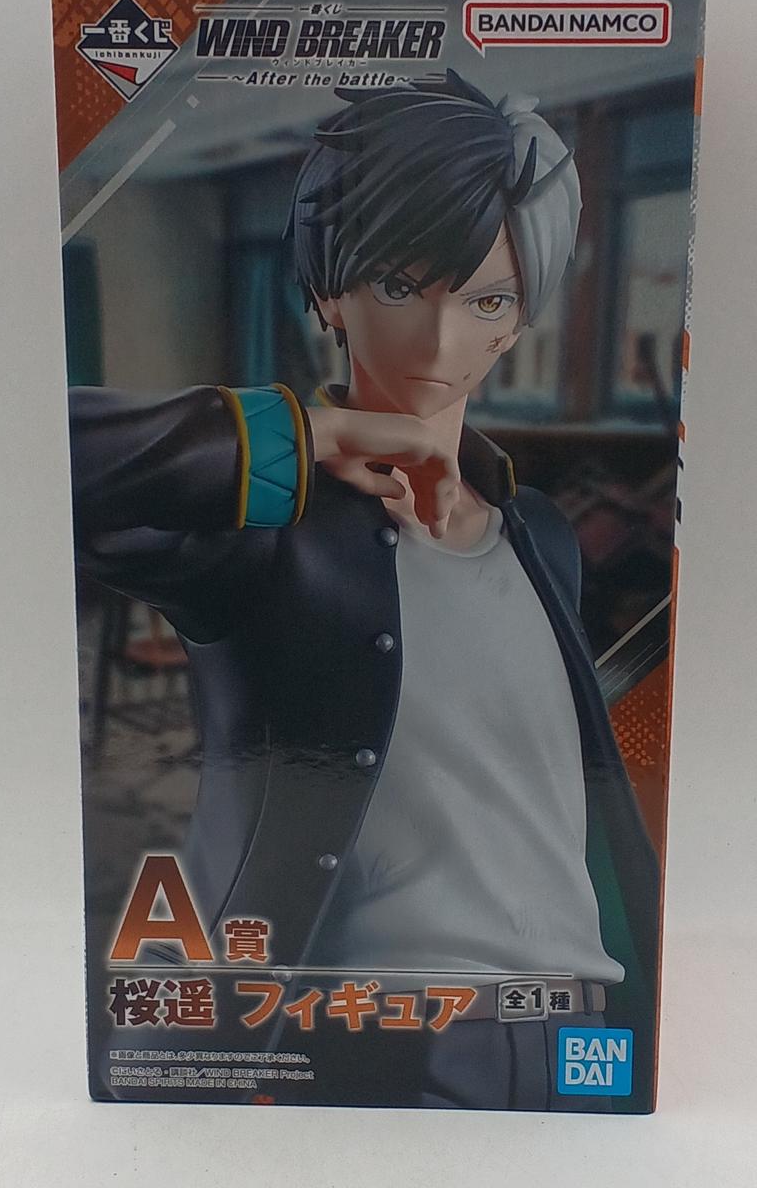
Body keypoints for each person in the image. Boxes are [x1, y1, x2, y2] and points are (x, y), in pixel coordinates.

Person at [70, 70, 659, 1111]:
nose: (439, 339)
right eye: (398, 284)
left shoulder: (541, 533)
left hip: (575, 1032)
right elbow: (33, 456)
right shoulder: (268, 530)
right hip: (366, 1035)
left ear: (518, 319)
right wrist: (299, 435)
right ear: (328, 294)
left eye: (485, 298)